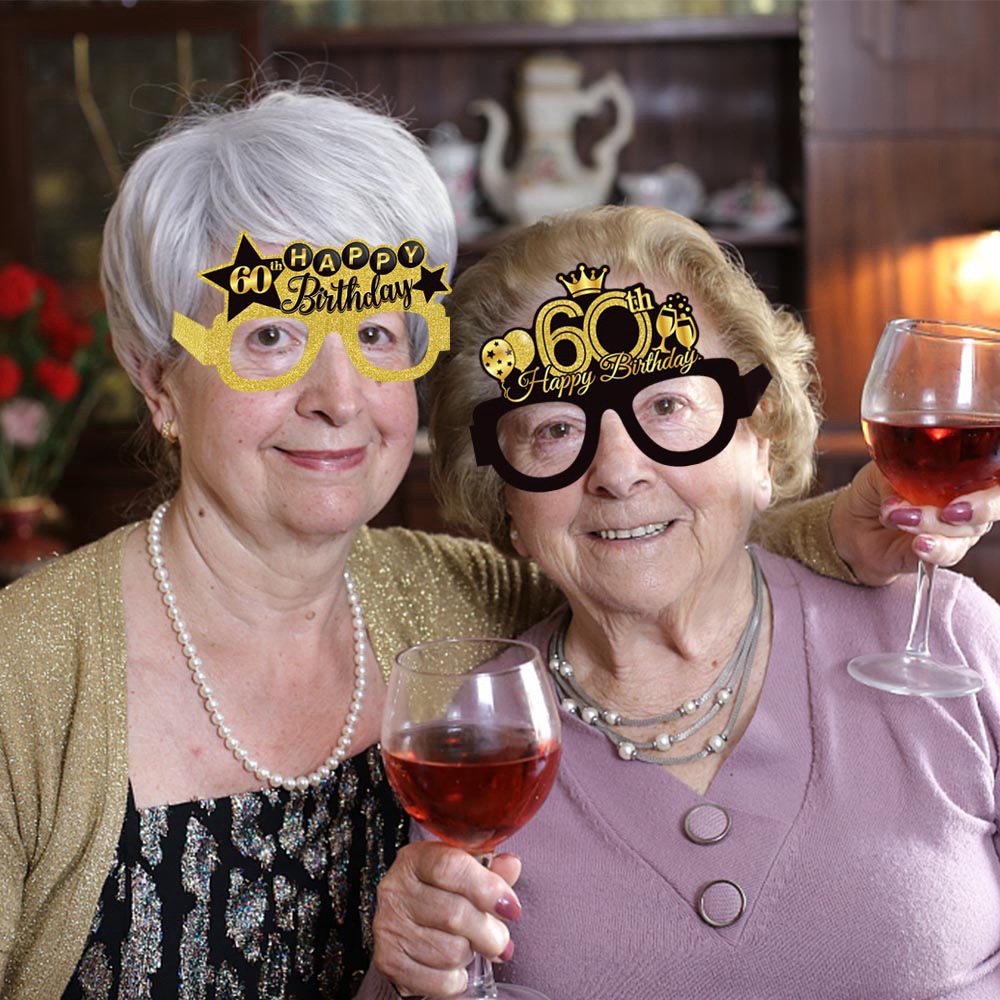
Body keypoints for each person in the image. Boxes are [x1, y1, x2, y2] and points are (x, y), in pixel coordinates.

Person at [0, 90, 993, 999]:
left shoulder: (464, 601)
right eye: (269, 337)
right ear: (158, 378)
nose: (337, 397)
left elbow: (639, 540)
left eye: (379, 334)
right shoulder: (28, 671)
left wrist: (846, 519)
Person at [364, 206, 1000, 1000]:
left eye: (667, 406)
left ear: (760, 442)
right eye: (557, 429)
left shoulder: (952, 643)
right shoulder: (473, 756)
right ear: (509, 506)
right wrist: (405, 979)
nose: (619, 472)